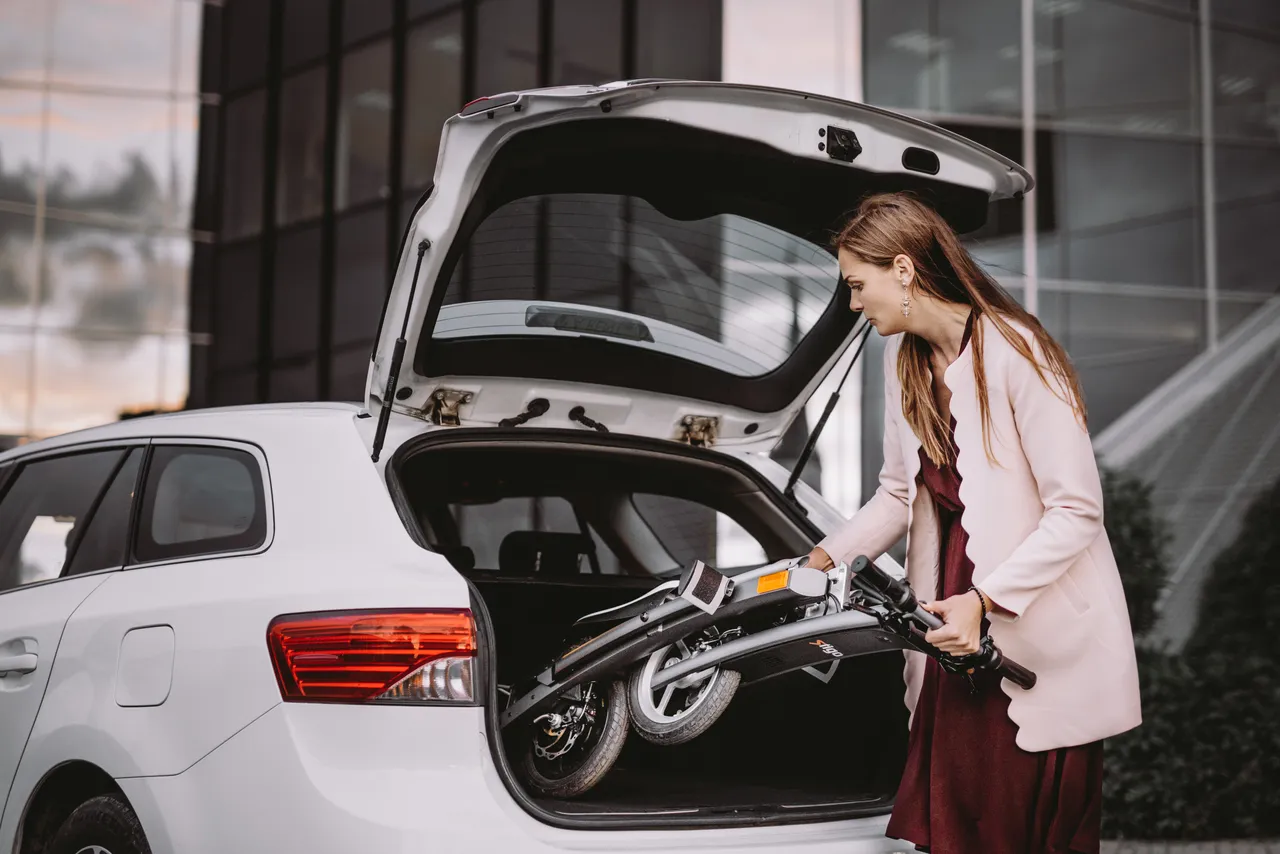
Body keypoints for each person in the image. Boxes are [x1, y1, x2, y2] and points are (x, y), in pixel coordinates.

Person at [806, 193, 1141, 853]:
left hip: (1030, 638)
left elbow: (1077, 509)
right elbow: (895, 495)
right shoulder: (901, 364)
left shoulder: (1017, 351)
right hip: (948, 640)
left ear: (902, 269)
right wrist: (812, 566)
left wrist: (982, 603)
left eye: (856, 284)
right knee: (955, 832)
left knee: (1014, 830)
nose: (852, 304)